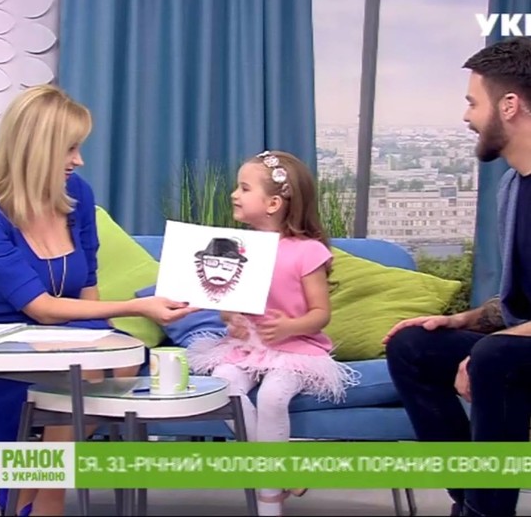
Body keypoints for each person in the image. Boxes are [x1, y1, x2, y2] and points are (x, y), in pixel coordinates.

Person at [0, 85, 196, 516]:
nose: (79, 160)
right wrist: (138, 306)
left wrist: (106, 335)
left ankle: (33, 496)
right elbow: (40, 307)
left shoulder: (78, 195)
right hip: (9, 350)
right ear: (37, 148)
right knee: (87, 368)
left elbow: (88, 284)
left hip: (64, 342)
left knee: (119, 355)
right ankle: (41, 499)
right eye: (70, 148)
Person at [384, 37, 531, 517]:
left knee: (495, 356)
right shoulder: (513, 186)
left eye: (473, 102)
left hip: (513, 351)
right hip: (519, 345)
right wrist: (463, 320)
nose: (466, 117)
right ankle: (469, 498)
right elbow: (521, 303)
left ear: (509, 106)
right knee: (413, 345)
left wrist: (493, 344)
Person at [187, 150, 359, 516]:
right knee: (222, 387)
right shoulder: (236, 248)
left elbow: (321, 314)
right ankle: (280, 471)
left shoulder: (307, 251)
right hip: (247, 347)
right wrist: (230, 317)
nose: (234, 194)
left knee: (272, 397)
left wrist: (288, 327)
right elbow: (228, 304)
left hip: (295, 349)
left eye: (244, 188)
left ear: (273, 203)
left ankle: (270, 496)